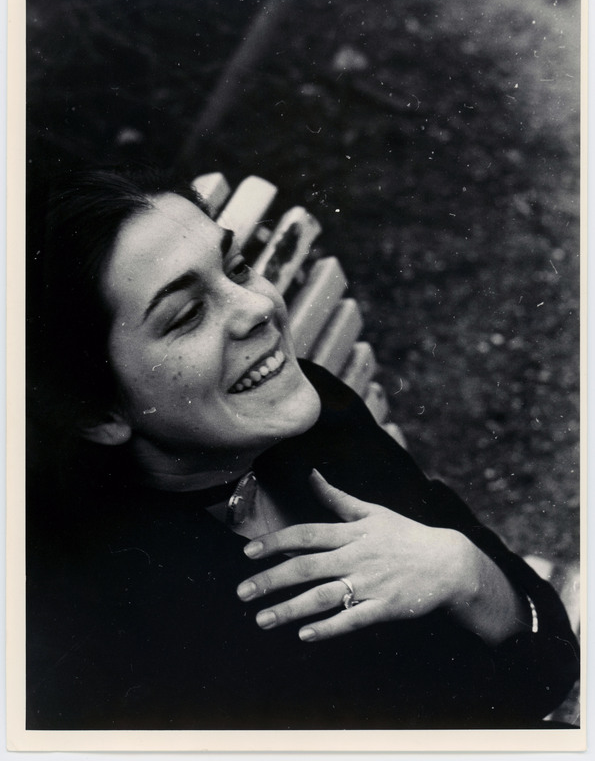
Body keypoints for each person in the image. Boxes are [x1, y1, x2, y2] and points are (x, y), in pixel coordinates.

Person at [26, 165, 579, 730]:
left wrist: (465, 571)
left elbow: (551, 663)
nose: (257, 307)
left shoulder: (311, 420)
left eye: (237, 267)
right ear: (97, 413)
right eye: (187, 314)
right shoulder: (114, 643)